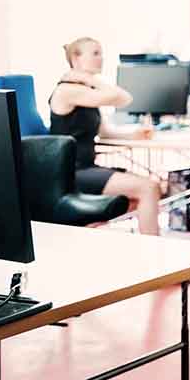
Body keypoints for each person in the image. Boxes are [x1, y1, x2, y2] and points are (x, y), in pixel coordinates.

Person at [49, 37, 162, 235]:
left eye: (101, 53)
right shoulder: (67, 90)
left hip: (86, 168)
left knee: (136, 200)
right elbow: (124, 98)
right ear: (76, 59)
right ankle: (155, 255)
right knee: (149, 188)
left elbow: (104, 132)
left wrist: (133, 136)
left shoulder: (85, 93)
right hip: (70, 171)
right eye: (95, 53)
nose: (101, 58)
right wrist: (88, 78)